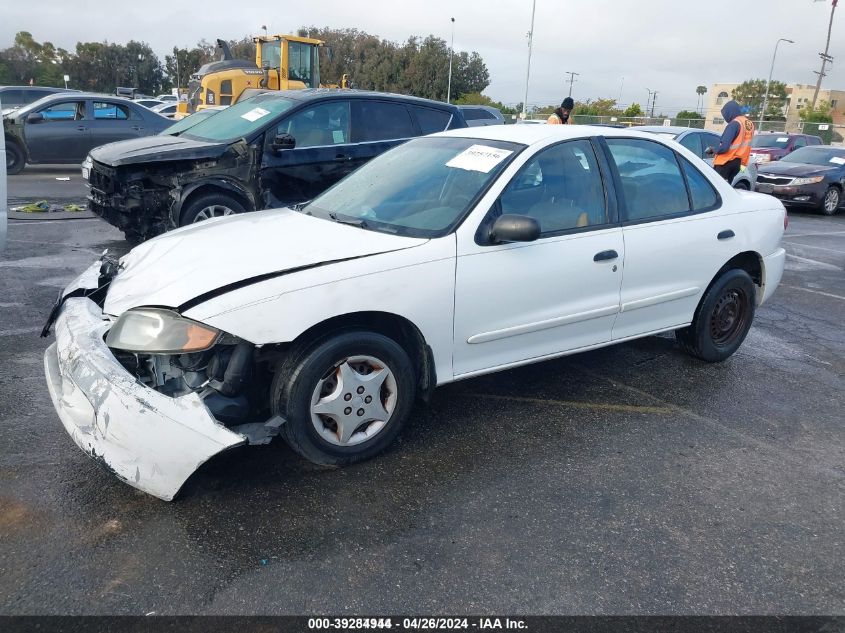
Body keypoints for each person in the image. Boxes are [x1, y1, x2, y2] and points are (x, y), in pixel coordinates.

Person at [713, 99, 754, 183]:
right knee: (726, 187)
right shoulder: (749, 124)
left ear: (730, 112)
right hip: (738, 163)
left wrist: (713, 150)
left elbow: (724, 148)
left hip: (725, 162)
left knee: (717, 187)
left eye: (725, 115)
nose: (725, 118)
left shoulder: (734, 124)